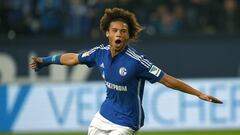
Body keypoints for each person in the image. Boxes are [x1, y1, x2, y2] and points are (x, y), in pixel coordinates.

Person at [30, 7, 222, 135]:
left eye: (123, 31)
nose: (119, 34)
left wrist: (199, 94)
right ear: (107, 33)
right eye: (115, 30)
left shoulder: (137, 61)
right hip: (103, 116)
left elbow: (166, 79)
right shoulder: (99, 53)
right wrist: (45, 61)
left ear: (128, 35)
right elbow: (73, 58)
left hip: (126, 122)